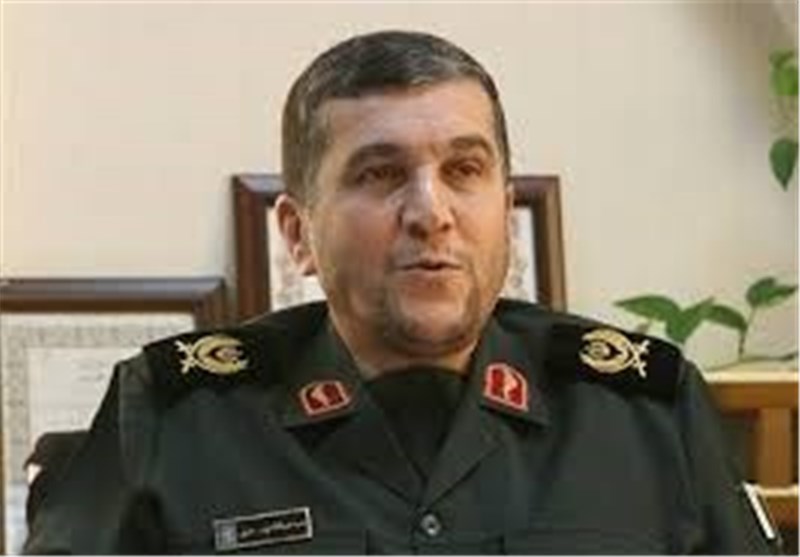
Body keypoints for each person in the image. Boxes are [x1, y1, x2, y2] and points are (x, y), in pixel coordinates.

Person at [24, 30, 777, 554]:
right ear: (297, 232)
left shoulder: (644, 416)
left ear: (503, 208)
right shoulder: (175, 419)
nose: (430, 212)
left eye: (464, 170)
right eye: (380, 173)